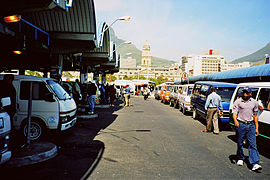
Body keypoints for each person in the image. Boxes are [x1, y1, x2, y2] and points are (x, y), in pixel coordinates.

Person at [232, 86, 262, 171]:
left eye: (246, 92)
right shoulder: (238, 101)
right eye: (244, 92)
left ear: (250, 93)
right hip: (241, 124)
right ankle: (240, 158)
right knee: (240, 142)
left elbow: (255, 116)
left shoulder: (254, 103)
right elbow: (234, 112)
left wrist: (256, 128)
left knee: (253, 144)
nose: (245, 94)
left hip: (251, 125)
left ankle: (254, 163)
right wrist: (235, 121)